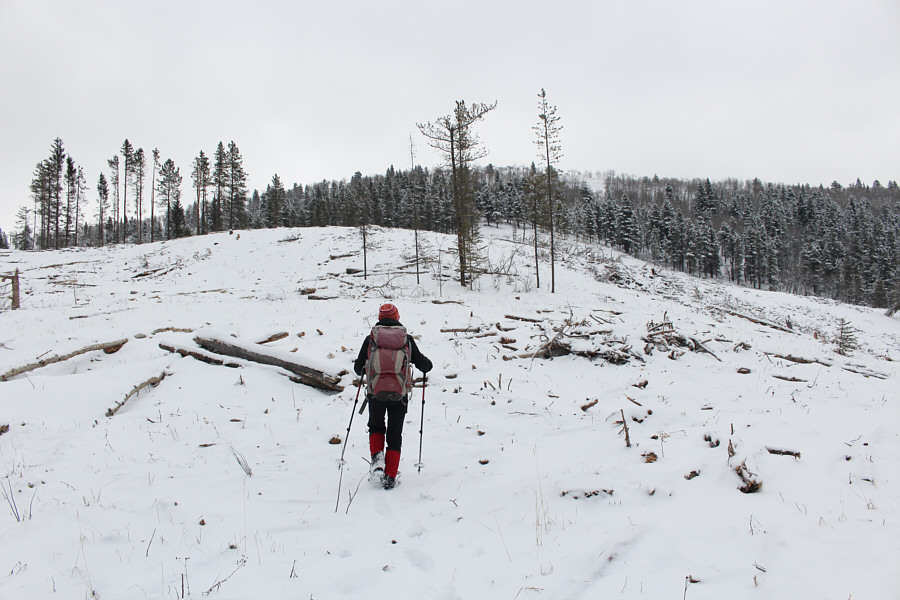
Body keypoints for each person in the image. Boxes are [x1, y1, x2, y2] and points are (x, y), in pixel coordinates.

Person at [354, 303, 432, 489]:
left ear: (380, 318)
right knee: (394, 434)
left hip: (375, 393)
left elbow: (358, 369)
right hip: (399, 395)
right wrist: (425, 364)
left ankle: (377, 457)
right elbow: (425, 366)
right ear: (397, 317)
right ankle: (389, 477)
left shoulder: (371, 339)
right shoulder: (406, 340)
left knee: (375, 426)